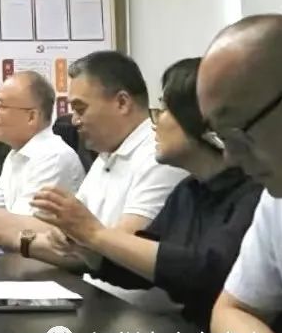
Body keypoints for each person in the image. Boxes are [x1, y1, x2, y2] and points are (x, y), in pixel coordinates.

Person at [78, 14, 282, 333]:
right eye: (221, 135)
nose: (230, 155)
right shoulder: (280, 200)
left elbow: (204, 271)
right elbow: (232, 310)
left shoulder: (260, 189)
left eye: (239, 130)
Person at [33, 58, 261, 329]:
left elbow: (209, 271)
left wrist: (95, 234)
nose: (155, 122)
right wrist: (86, 246)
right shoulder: (189, 190)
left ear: (202, 119)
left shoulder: (255, 192)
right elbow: (141, 272)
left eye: (164, 110)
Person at [17, 52, 189, 287]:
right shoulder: (106, 153)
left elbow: (120, 253)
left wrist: (78, 234)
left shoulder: (159, 155)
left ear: (122, 103)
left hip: (132, 306)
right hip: (97, 294)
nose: (74, 121)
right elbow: (71, 239)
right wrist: (65, 232)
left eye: (80, 109)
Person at [0, 71, 85, 253]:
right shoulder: (15, 154)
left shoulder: (53, 156)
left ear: (31, 117)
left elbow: (17, 225)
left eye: (1, 106)